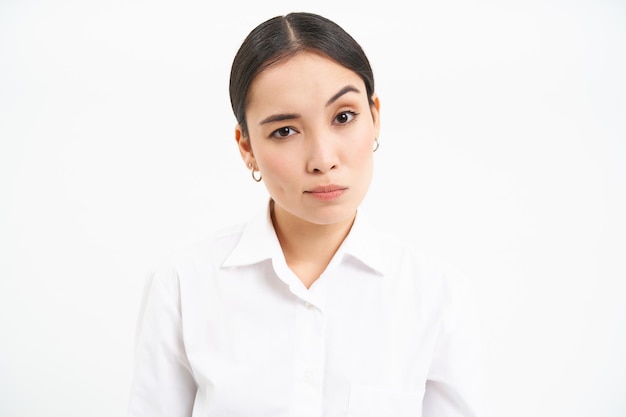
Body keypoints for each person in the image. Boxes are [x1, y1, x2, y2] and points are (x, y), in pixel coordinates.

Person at [127, 11, 487, 417]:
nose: (322, 159)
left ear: (376, 117)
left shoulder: (437, 297)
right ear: (246, 147)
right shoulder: (181, 286)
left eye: (344, 117)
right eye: (284, 130)